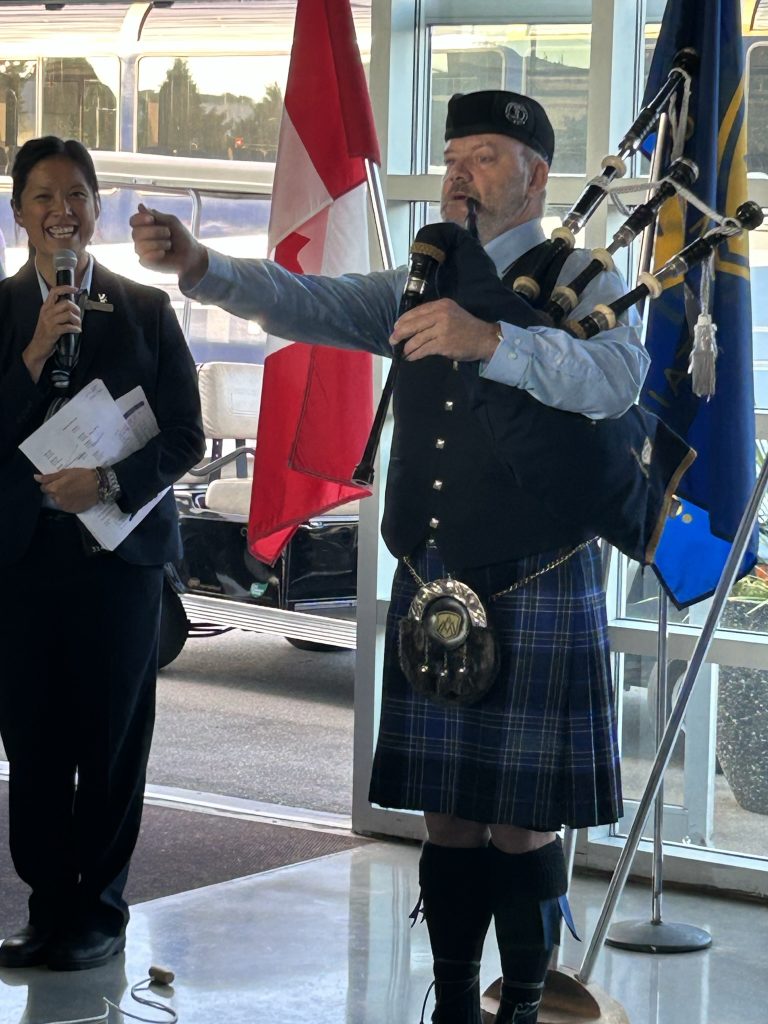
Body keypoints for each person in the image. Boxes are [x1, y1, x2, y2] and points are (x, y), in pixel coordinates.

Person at [130, 91, 647, 1024]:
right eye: (453, 156)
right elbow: (309, 302)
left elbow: (616, 382)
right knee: (447, 816)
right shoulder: (423, 275)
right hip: (433, 580)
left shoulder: (582, 276)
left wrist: (493, 339)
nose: (458, 173)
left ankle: (521, 1006)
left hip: (536, 574)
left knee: (524, 822)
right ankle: (453, 1006)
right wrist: (202, 267)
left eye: (484, 156)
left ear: (534, 175)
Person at [0, 137, 204, 971]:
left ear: (97, 208)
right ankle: (48, 907)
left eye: (78, 194)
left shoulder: (147, 312)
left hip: (117, 566)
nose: (63, 210)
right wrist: (33, 355)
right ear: (18, 212)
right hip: (21, 564)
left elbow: (186, 435)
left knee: (111, 741)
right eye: (44, 195)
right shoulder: (5, 313)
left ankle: (100, 913)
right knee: (33, 742)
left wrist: (110, 481)